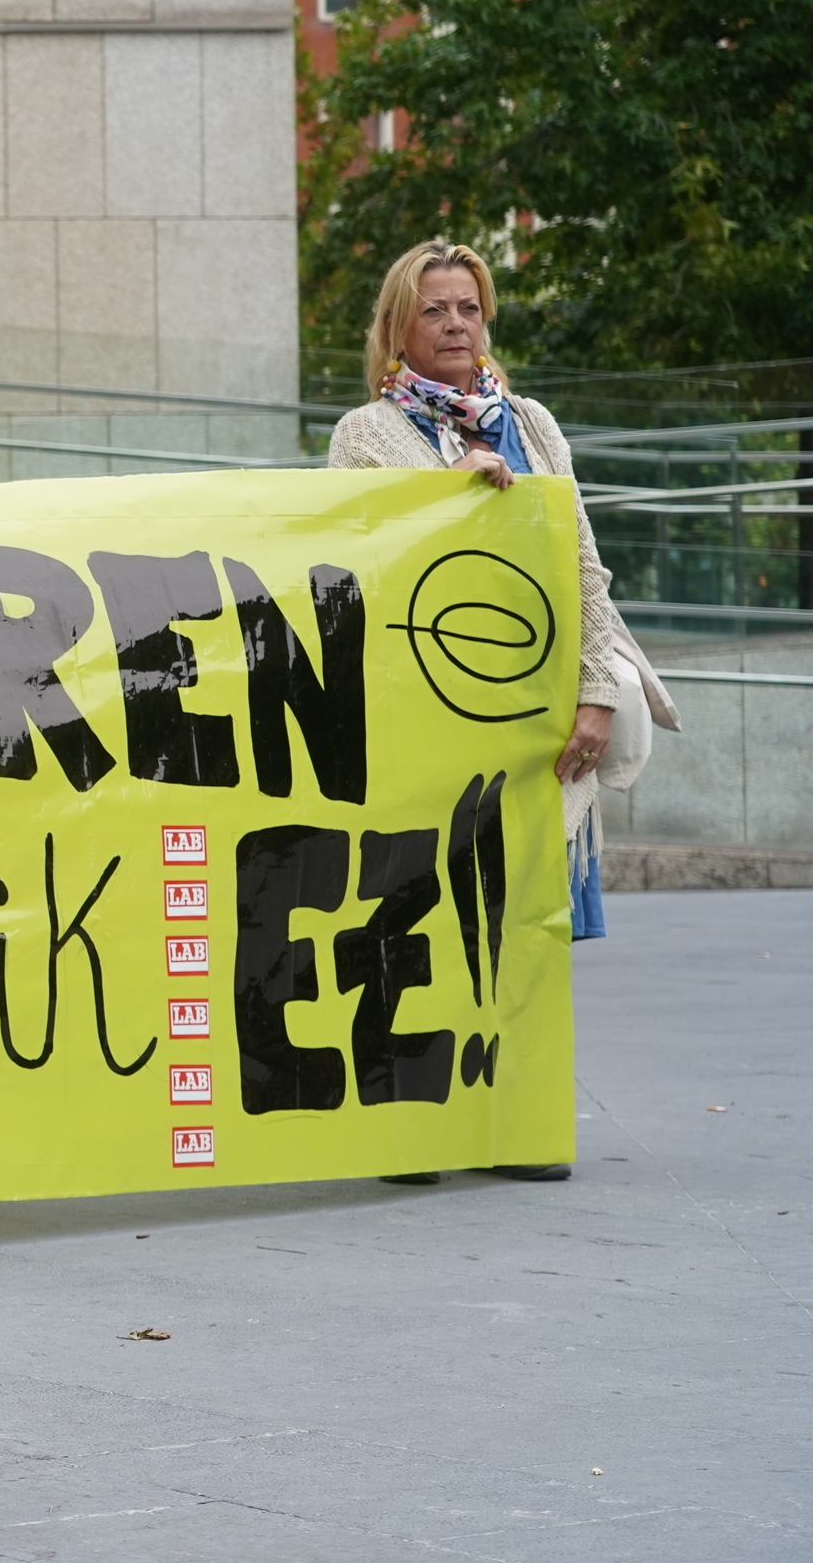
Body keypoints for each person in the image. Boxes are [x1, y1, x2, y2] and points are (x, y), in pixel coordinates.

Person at [328, 239, 678, 1185]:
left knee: (523, 922)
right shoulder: (365, 433)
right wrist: (458, 498)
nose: (454, 324)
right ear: (398, 327)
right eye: (434, 309)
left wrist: (596, 692)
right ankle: (416, 1126)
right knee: (414, 914)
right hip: (424, 715)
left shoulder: (530, 422)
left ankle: (518, 1122)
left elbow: (584, 566)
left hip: (535, 718)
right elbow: (362, 562)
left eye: (469, 308)